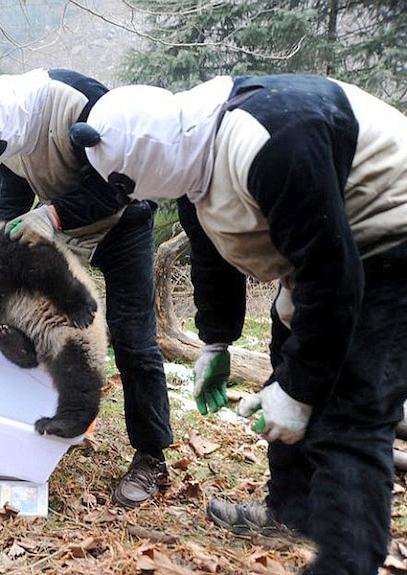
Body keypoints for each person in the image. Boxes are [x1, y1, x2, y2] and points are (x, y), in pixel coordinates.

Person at [69, 73, 407, 575]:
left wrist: (299, 390)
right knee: (285, 367)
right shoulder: (189, 157)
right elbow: (212, 252)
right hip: (330, 256)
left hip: (388, 247)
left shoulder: (270, 141)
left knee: (347, 413)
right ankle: (292, 509)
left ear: (145, 157)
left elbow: (333, 281)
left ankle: (347, 561)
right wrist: (217, 340)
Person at [0, 68, 175, 508]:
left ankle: (150, 455)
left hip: (123, 217)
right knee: (16, 318)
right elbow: (11, 199)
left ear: (1, 121)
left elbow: (118, 183)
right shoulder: (0, 130)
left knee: (134, 338)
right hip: (59, 225)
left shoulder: (78, 102)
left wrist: (54, 216)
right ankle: (26, 411)